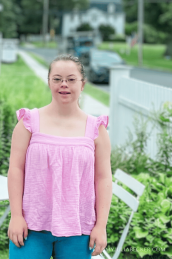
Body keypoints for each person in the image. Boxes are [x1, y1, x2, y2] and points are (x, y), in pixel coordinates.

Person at [7, 54, 112, 258]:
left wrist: (101, 226)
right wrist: (16, 216)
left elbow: (103, 179)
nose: (64, 84)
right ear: (49, 82)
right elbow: (15, 170)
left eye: (71, 79)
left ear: (83, 84)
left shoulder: (96, 129)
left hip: (79, 228)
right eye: (57, 79)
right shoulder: (28, 123)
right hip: (31, 226)